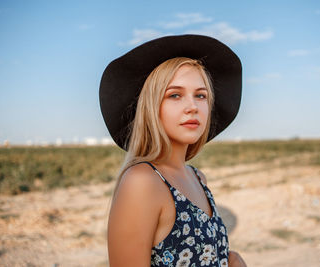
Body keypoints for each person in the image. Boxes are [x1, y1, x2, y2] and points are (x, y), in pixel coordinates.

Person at [99, 34, 247, 266]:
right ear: (151, 107)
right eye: (175, 95)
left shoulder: (198, 178)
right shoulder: (143, 181)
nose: (193, 107)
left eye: (201, 95)